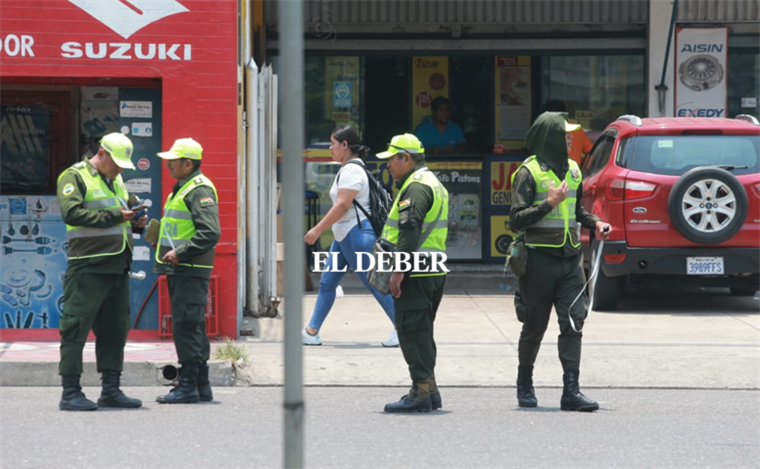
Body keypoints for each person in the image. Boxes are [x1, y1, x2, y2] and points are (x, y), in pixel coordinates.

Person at [509, 112, 611, 412]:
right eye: (565, 135)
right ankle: (525, 384)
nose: (570, 140)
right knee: (534, 326)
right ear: (549, 138)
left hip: (570, 261)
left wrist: (595, 223)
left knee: (573, 322)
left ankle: (571, 391)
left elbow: (577, 211)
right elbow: (516, 220)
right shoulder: (527, 173)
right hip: (539, 261)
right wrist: (548, 204)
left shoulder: (573, 170)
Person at [56, 132, 146, 411]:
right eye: (116, 163)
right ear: (102, 153)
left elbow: (125, 212)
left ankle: (111, 390)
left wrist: (137, 220)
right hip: (88, 266)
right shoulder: (74, 176)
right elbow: (72, 214)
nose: (119, 169)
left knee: (115, 330)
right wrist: (118, 216)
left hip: (118, 267)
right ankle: (70, 392)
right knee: (75, 328)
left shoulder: (116, 180)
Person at [302, 125, 398, 347]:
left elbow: (343, 204)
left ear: (345, 145)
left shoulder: (353, 171)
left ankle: (403, 329)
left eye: (333, 143)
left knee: (375, 284)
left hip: (356, 236)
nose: (330, 148)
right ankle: (311, 331)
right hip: (345, 236)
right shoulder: (348, 169)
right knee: (327, 283)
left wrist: (317, 230)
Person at [376, 133, 449, 413]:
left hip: (415, 272)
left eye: (392, 160)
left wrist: (398, 271)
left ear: (406, 158)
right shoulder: (432, 183)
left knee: (411, 330)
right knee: (422, 331)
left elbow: (409, 232)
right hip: (430, 269)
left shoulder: (416, 187)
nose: (389, 166)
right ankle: (430, 390)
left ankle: (419, 393)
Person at [153, 138, 221, 404]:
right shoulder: (182, 188)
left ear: (188, 163)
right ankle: (201, 386)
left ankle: (188, 387)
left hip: (190, 267)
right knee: (191, 324)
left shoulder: (197, 189)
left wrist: (179, 253)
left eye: (173, 160)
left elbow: (210, 232)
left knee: (186, 325)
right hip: (184, 268)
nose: (168, 164)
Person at [543, 100, 593, 167]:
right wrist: (586, 168)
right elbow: (591, 151)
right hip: (574, 174)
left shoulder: (547, 130)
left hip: (552, 173)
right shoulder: (577, 129)